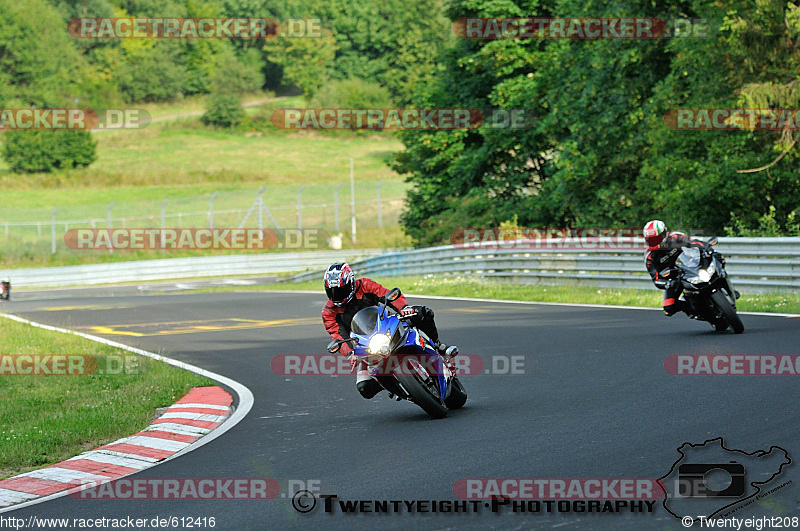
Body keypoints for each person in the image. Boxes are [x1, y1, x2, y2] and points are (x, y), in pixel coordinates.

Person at [321, 262, 458, 399]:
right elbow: (337, 335)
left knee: (423, 313)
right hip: (364, 345)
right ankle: (395, 385)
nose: (336, 295)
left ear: (351, 283)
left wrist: (403, 308)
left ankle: (438, 345)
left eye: (340, 290)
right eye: (331, 291)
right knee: (364, 388)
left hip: (385, 325)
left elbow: (385, 294)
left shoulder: (365, 285)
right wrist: (350, 353)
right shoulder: (329, 312)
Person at [643, 220, 728, 316]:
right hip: (675, 278)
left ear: (664, 234)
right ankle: (692, 310)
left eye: (655, 239)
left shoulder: (675, 237)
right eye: (650, 240)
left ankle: (726, 283)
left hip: (691, 265)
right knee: (668, 308)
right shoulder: (650, 257)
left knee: (717, 257)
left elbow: (694, 242)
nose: (653, 242)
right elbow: (656, 279)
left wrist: (706, 248)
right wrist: (668, 283)